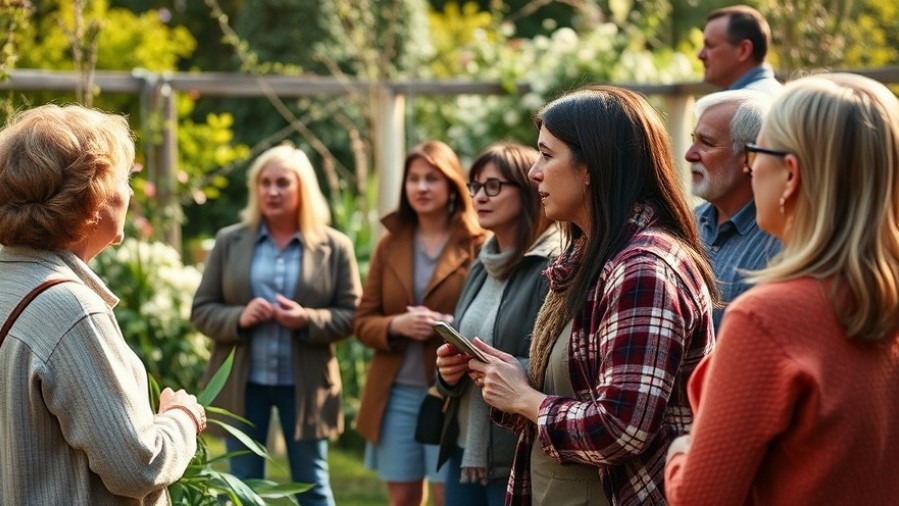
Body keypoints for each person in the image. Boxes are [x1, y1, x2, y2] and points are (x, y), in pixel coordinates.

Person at [467, 86, 717, 505]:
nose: (534, 172)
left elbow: (621, 429)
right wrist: (515, 374)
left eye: (547, 155)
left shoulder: (643, 269)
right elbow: (588, 383)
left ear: (591, 168)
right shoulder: (592, 254)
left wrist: (526, 400)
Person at [665, 74, 899, 504]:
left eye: (756, 153)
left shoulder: (767, 317)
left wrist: (681, 453)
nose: (751, 168)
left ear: (790, 174)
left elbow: (700, 498)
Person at [0, 104, 206, 505]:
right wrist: (182, 418)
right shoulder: (70, 311)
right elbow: (137, 468)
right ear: (93, 201)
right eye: (124, 178)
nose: (129, 192)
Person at [191, 144, 361, 506]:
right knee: (241, 486)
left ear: (303, 188)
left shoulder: (335, 246)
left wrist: (307, 319)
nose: (271, 191)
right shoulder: (229, 241)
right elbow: (202, 310)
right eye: (264, 183)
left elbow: (352, 316)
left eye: (282, 183)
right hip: (242, 384)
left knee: (312, 486)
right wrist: (239, 316)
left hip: (306, 385)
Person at [354, 140, 486, 506]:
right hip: (395, 392)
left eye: (432, 178)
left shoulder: (479, 243)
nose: (422, 187)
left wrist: (447, 324)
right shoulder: (389, 244)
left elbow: (494, 314)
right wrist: (396, 326)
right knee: (402, 498)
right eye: (414, 179)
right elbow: (362, 322)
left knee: (448, 495)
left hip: (453, 393)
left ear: (452, 186)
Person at [434, 143, 560, 506]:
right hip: (464, 445)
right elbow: (463, 335)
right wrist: (448, 369)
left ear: (528, 190)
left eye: (493, 186)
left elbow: (554, 363)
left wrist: (503, 369)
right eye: (475, 186)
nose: (479, 197)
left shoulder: (551, 264)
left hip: (512, 451)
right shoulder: (483, 260)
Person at [686, 89, 780, 330]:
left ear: (751, 156)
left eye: (706, 143)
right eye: (692, 139)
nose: (689, 154)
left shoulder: (781, 243)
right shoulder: (686, 224)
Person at [699, 5, 783, 95]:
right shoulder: (776, 94)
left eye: (710, 45)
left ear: (744, 50)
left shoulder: (743, 103)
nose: (700, 55)